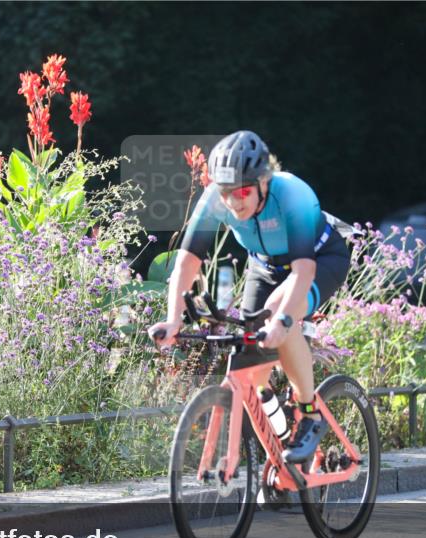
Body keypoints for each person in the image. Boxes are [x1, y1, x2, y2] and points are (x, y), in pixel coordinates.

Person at [148, 131, 352, 463]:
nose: (233, 202)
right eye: (226, 193)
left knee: (276, 320)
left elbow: (303, 272)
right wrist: (173, 318)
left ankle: (310, 413)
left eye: (243, 191)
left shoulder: (292, 195)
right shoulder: (216, 198)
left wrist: (285, 320)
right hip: (265, 266)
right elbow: (187, 261)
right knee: (254, 365)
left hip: (318, 259)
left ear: (263, 182)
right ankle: (283, 442)